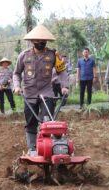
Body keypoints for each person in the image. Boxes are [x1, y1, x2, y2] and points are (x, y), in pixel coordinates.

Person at [13, 24, 69, 156]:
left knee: (47, 120)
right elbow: (16, 73)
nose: (41, 43)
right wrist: (16, 86)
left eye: (43, 41)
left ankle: (51, 147)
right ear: (32, 41)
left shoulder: (53, 55)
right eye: (38, 41)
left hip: (46, 92)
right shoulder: (24, 56)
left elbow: (61, 71)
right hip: (29, 93)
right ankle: (32, 148)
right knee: (31, 121)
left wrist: (64, 86)